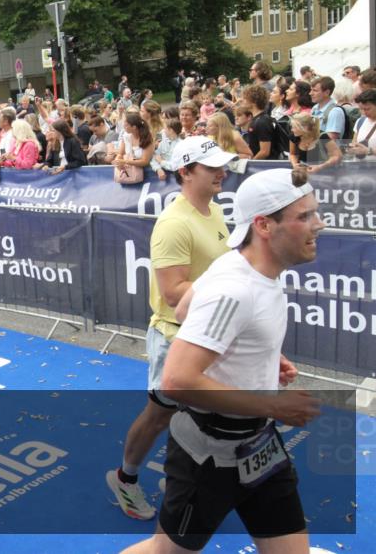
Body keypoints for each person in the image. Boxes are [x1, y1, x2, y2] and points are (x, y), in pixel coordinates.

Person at [123, 168, 324, 554]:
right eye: (305, 216)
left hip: (259, 446)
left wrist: (260, 352)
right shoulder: (235, 288)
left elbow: (184, 309)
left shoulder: (241, 266)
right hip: (208, 456)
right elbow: (177, 380)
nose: (319, 224)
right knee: (163, 551)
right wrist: (275, 405)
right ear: (264, 225)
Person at [107, 136, 237, 521]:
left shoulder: (214, 211)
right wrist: (229, 288)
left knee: (199, 418)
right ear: (186, 172)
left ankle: (181, 477)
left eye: (221, 165)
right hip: (175, 337)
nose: (221, 172)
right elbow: (174, 292)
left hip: (207, 335)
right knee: (159, 415)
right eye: (211, 167)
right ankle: (125, 478)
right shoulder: (174, 223)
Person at [346, 88, 376, 160]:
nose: (364, 112)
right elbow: (354, 142)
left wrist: (368, 151)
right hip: (360, 165)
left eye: (367, 109)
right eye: (361, 109)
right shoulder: (360, 121)